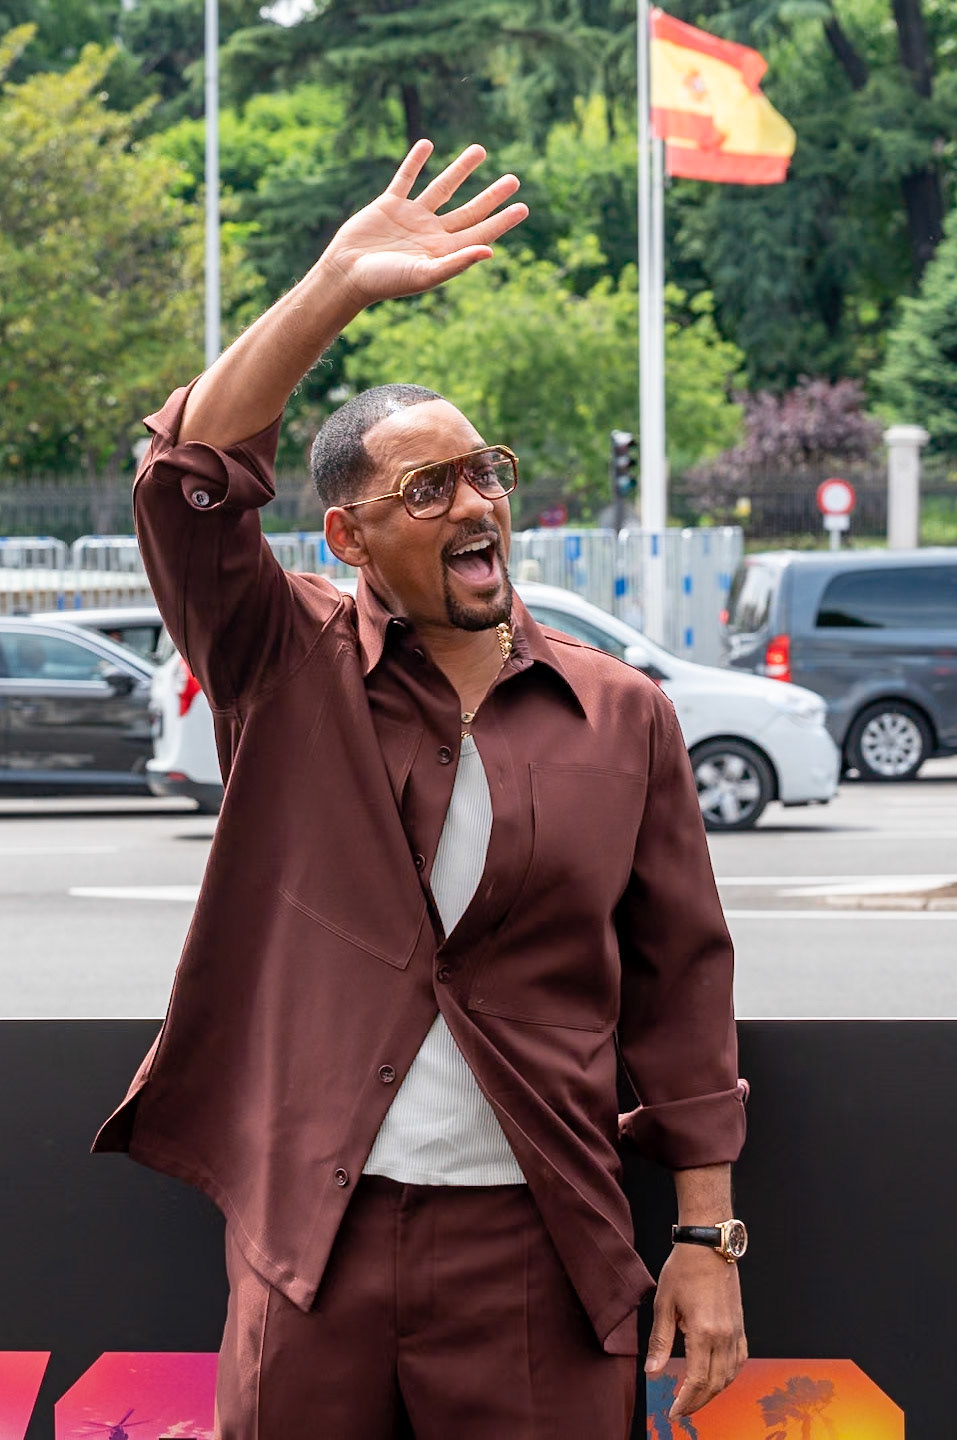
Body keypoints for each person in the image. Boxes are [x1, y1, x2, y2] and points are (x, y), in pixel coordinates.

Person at [94, 140, 748, 1439]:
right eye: (429, 487)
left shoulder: (623, 717)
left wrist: (706, 1237)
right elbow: (183, 487)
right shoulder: (281, 661)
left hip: (538, 1253)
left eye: (487, 472)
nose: (477, 505)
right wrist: (334, 282)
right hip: (310, 1251)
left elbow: (681, 989)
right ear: (347, 536)